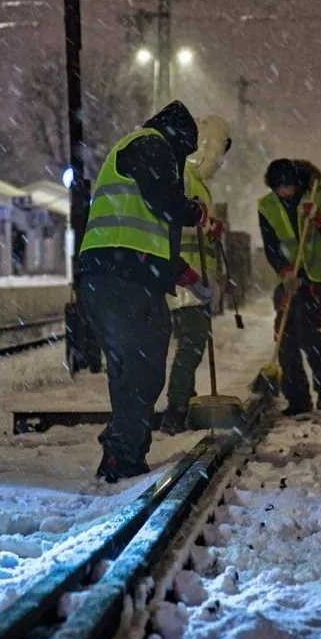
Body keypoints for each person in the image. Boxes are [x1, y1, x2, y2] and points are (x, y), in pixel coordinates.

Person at [77, 101, 215, 483]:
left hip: (112, 275)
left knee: (131, 368)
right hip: (123, 279)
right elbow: (165, 202)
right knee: (142, 367)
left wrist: (185, 275)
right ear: (179, 139)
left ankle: (125, 455)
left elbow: (143, 227)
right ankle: (122, 455)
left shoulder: (140, 147)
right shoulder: (152, 145)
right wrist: (195, 211)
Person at [258, 159, 321, 415]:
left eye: (288, 187)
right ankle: (297, 398)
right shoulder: (267, 206)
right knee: (285, 337)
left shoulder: (319, 194)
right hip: (288, 278)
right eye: (279, 188)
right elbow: (271, 245)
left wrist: (320, 219)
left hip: (316, 277)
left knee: (307, 333)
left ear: (297, 183)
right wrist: (284, 271)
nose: (284, 192)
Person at [161, 116, 232, 434]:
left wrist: (210, 228)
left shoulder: (197, 183)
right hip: (186, 278)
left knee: (190, 345)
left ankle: (183, 403)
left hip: (194, 279)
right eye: (219, 155)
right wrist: (204, 226)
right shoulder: (186, 178)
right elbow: (175, 217)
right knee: (191, 346)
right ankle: (176, 411)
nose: (219, 163)